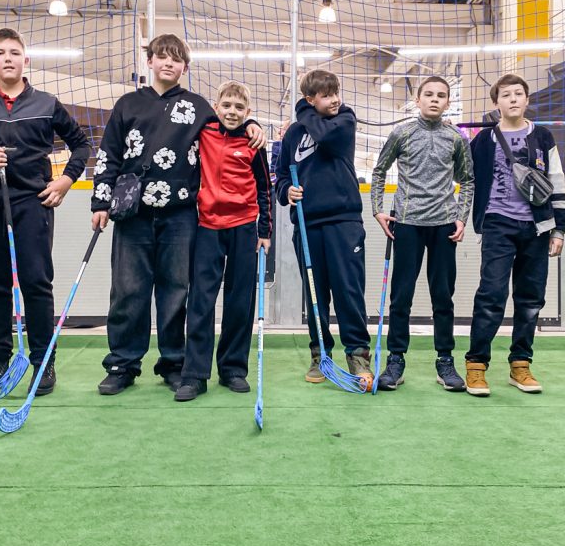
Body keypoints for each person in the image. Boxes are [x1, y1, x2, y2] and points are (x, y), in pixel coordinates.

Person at [92, 34, 265, 395]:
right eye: (162, 57)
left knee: (176, 291)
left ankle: (173, 362)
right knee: (128, 290)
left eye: (176, 59)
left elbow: (230, 123)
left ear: (185, 67)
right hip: (132, 213)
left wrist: (254, 124)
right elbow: (108, 154)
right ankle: (123, 363)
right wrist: (100, 202)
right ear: (150, 61)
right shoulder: (127, 104)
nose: (168, 63)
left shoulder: (199, 107)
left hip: (181, 215)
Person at [0, 28, 90, 396]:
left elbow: (81, 145)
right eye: (1, 52)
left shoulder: (47, 104)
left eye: (14, 52)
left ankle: (42, 360)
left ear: (26, 60)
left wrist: (64, 181)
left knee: (36, 283)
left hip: (32, 205)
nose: (8, 58)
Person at [464, 74, 565, 396]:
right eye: (506, 94)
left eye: (518, 93)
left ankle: (520, 364)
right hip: (497, 224)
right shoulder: (483, 139)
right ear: (496, 102)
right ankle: (476, 365)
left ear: (526, 99)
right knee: (491, 295)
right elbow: (463, 176)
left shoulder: (543, 136)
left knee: (530, 299)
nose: (512, 99)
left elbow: (557, 181)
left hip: (537, 227)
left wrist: (559, 228)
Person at [370, 75, 474, 392]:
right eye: (428, 94)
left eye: (441, 95)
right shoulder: (401, 133)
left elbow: (468, 179)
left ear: (448, 102)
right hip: (407, 224)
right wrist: (377, 209)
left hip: (444, 226)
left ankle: (445, 360)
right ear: (417, 100)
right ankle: (395, 360)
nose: (434, 99)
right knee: (401, 297)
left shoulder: (455, 138)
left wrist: (461, 217)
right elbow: (379, 171)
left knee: (443, 297)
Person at [174, 81, 272, 401]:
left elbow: (265, 188)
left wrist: (265, 231)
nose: (232, 112)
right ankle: (194, 374)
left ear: (248, 112)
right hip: (207, 226)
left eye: (239, 108)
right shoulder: (204, 131)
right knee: (201, 300)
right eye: (226, 105)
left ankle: (233, 369)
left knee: (240, 300)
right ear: (216, 107)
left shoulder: (254, 141)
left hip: (244, 227)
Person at [275, 69, 372, 384]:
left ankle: (358, 356)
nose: (335, 100)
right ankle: (321, 355)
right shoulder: (293, 134)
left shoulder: (345, 119)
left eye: (336, 93)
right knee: (315, 294)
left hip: (344, 221)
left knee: (348, 290)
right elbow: (282, 175)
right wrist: (286, 191)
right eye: (326, 95)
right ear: (310, 98)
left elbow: (326, 137)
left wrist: (303, 112)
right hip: (307, 223)